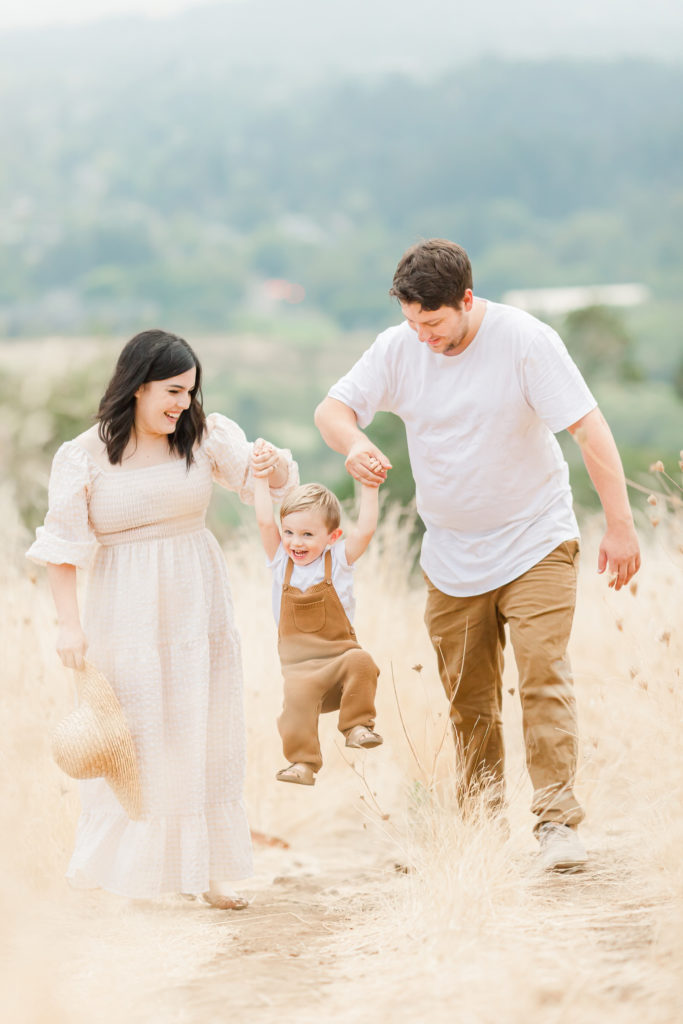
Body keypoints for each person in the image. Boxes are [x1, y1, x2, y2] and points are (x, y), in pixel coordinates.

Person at [314, 239, 640, 871]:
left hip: (536, 537)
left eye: (432, 323)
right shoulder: (398, 347)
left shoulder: (526, 341)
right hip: (452, 554)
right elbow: (333, 410)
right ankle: (481, 825)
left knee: (543, 675)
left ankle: (556, 824)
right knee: (469, 696)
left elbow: (587, 428)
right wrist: (352, 442)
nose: (422, 336)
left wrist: (621, 526)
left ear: (466, 300)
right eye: (412, 322)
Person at [27, 329, 298, 907]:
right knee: (140, 737)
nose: (182, 404)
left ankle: (208, 874)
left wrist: (272, 468)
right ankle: (138, 877)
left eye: (190, 393)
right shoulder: (84, 455)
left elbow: (262, 486)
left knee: (203, 730)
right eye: (173, 392)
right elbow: (63, 548)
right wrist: (68, 625)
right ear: (137, 386)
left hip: (196, 600)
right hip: (123, 608)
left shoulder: (202, 437)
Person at [252, 452, 382, 787]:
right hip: (301, 670)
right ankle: (302, 763)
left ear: (332, 537)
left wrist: (370, 486)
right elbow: (266, 522)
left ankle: (356, 726)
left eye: (308, 535)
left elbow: (366, 529)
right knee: (295, 700)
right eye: (290, 532)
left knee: (362, 660)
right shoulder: (281, 562)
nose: (296, 542)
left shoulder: (338, 560)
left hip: (340, 662)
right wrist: (260, 478)